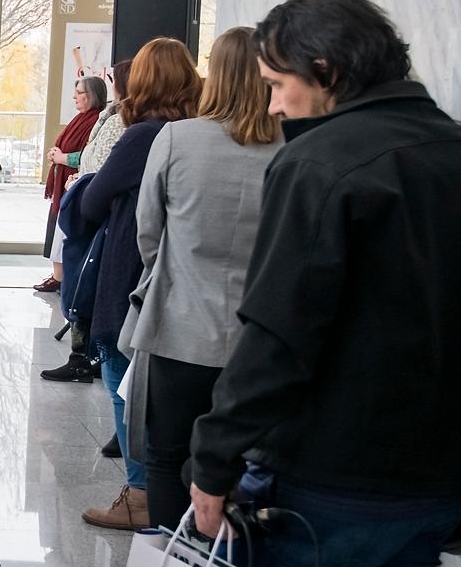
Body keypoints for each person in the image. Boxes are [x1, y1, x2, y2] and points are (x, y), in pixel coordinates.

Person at [185, 0, 461, 567]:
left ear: (325, 70)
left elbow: (276, 336)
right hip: (433, 487)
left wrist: (211, 462)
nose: (274, 106)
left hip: (329, 482)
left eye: (278, 86)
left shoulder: (320, 163)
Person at [119, 27, 282, 529]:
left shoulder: (178, 138)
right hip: (258, 340)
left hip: (179, 328)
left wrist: (169, 271)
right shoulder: (290, 149)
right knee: (250, 462)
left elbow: (148, 232)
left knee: (168, 457)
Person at [76, 38, 200, 530]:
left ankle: (141, 492)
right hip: (178, 277)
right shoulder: (193, 131)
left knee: (121, 377)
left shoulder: (144, 135)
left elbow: (92, 201)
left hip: (131, 269)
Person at [42, 58, 133, 388]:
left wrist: (77, 173)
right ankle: (84, 355)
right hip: (86, 197)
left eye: (80, 91)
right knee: (82, 280)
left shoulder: (124, 119)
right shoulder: (110, 116)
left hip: (97, 208)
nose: (76, 96)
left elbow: (102, 161)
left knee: (87, 283)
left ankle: (86, 357)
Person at [34, 75, 106, 292]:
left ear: (92, 96)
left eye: (80, 93)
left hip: (78, 184)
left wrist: (62, 158)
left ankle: (61, 277)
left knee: (65, 231)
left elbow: (88, 155)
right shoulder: (80, 118)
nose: (75, 97)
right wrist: (56, 154)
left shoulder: (95, 121)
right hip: (65, 182)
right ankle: (58, 275)